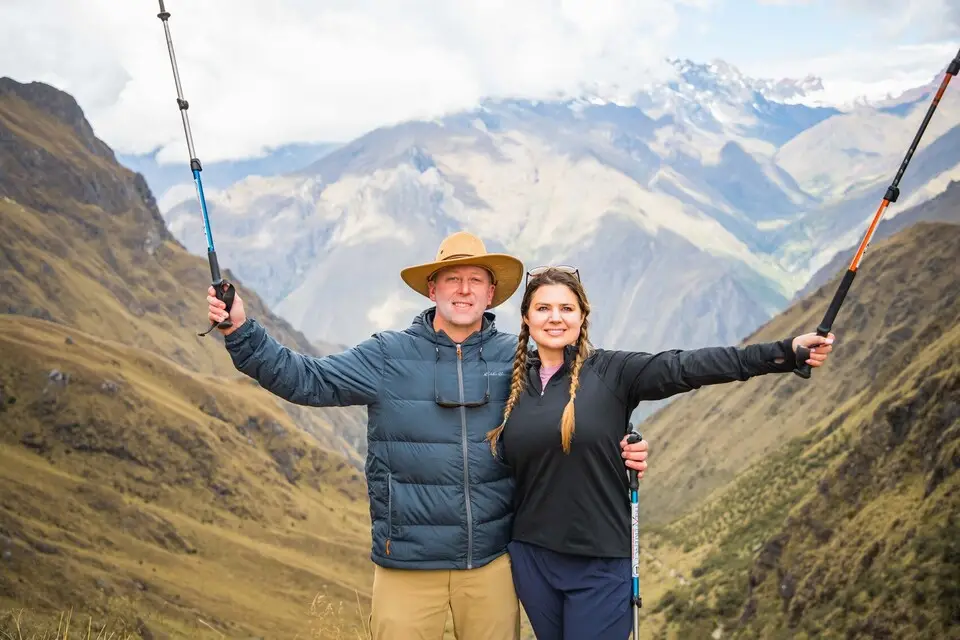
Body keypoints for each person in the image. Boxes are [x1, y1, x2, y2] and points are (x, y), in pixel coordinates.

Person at [205, 232, 650, 640]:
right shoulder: (387, 355)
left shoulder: (520, 360)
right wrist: (241, 330)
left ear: (491, 293)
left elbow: (576, 411)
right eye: (452, 279)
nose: (464, 289)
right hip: (407, 566)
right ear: (431, 289)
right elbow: (306, 380)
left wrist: (624, 445)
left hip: (492, 566)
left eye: (476, 279)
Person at [485, 266, 835, 640]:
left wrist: (785, 352)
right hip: (532, 560)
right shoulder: (511, 383)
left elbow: (686, 366)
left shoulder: (613, 372)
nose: (555, 317)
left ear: (583, 316)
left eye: (567, 308)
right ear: (526, 317)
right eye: (543, 308)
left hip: (600, 564)